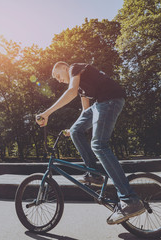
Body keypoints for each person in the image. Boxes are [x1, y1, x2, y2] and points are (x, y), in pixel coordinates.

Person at [36, 61, 145, 225]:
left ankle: (129, 200)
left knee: (99, 145)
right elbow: (86, 111)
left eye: (58, 75)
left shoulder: (75, 68)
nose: (58, 80)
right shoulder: (82, 88)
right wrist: (73, 128)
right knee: (75, 131)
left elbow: (71, 91)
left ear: (65, 68)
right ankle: (93, 174)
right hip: (100, 104)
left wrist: (47, 113)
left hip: (111, 99)